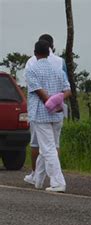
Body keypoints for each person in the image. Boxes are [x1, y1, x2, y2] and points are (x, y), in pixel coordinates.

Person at [24, 40, 71, 192]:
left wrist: (50, 102)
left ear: (35, 52)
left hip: (41, 114)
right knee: (48, 148)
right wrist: (59, 101)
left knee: (48, 148)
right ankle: (38, 180)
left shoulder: (32, 70)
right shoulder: (58, 70)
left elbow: (39, 92)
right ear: (50, 51)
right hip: (57, 115)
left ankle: (58, 182)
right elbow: (68, 90)